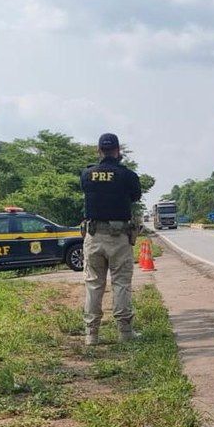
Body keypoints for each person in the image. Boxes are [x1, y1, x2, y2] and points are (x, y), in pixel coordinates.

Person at [80, 133, 142, 346]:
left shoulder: (87, 174)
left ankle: (91, 335)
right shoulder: (127, 175)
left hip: (94, 235)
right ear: (118, 151)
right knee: (121, 283)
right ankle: (125, 333)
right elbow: (135, 196)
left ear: (99, 151)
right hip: (119, 238)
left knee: (93, 284)